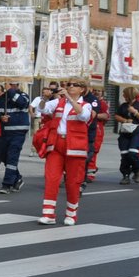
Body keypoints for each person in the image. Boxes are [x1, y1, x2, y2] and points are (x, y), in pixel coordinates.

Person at [37, 78, 95, 225]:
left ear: (82, 89)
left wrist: (68, 97)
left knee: (73, 182)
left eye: (74, 85)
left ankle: (71, 214)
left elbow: (83, 116)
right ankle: (48, 214)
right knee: (51, 178)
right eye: (68, 85)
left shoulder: (86, 105)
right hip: (56, 144)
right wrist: (44, 98)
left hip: (75, 147)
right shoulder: (58, 102)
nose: (70, 87)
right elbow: (42, 109)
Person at [0, 80, 32, 194]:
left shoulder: (23, 96)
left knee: (11, 157)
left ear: (17, 85)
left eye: (12, 84)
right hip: (5, 133)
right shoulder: (3, 98)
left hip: (18, 133)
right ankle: (17, 178)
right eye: (9, 84)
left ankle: (7, 184)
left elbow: (21, 103)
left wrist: (10, 90)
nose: (10, 86)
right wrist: (0, 117)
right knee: (4, 157)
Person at [114, 86, 139, 184]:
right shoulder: (123, 106)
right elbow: (116, 116)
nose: (123, 95)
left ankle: (137, 171)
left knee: (132, 153)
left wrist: (135, 112)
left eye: (124, 94)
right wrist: (125, 120)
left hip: (136, 132)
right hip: (125, 132)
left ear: (129, 94)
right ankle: (126, 175)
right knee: (124, 154)